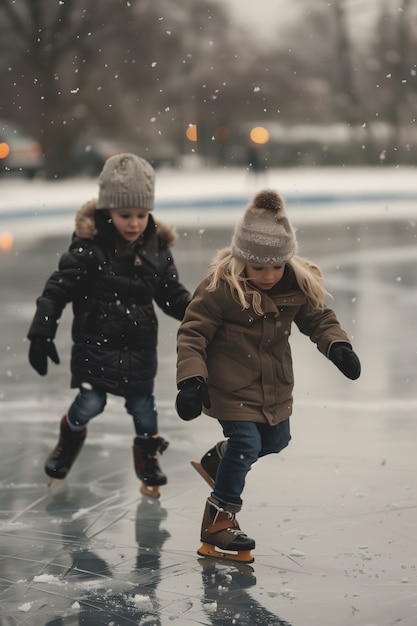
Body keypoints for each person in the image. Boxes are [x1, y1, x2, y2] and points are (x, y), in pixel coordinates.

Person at [175, 189, 361, 561]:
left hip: (273, 388)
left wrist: (337, 346)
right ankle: (220, 521)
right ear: (242, 260)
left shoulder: (293, 285)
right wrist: (191, 381)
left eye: (276, 266)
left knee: (276, 440)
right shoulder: (220, 289)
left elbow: (318, 319)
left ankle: (217, 461)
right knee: (247, 443)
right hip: (228, 387)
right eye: (259, 267)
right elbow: (192, 333)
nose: (269, 275)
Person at [28, 153, 191, 496]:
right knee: (90, 404)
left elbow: (170, 294)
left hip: (140, 348)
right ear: (107, 212)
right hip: (95, 345)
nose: (134, 223)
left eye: (142, 215)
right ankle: (67, 442)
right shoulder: (89, 249)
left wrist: (198, 315)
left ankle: (148, 460)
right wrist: (42, 331)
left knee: (144, 410)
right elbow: (57, 290)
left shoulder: (157, 248)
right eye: (124, 215)